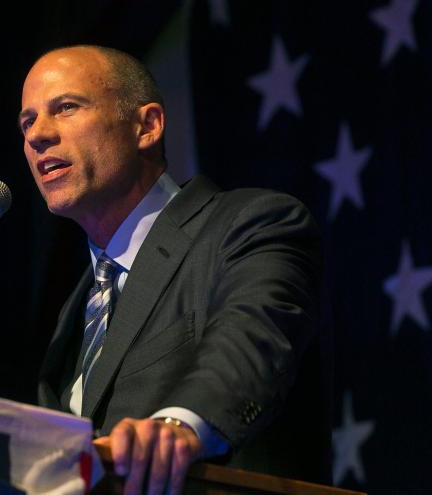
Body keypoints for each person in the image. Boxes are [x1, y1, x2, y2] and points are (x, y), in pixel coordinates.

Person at [19, 45, 326, 494]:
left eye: (65, 108)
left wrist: (178, 425)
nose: (38, 135)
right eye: (27, 122)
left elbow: (255, 336)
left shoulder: (251, 223)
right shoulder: (77, 306)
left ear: (147, 126)